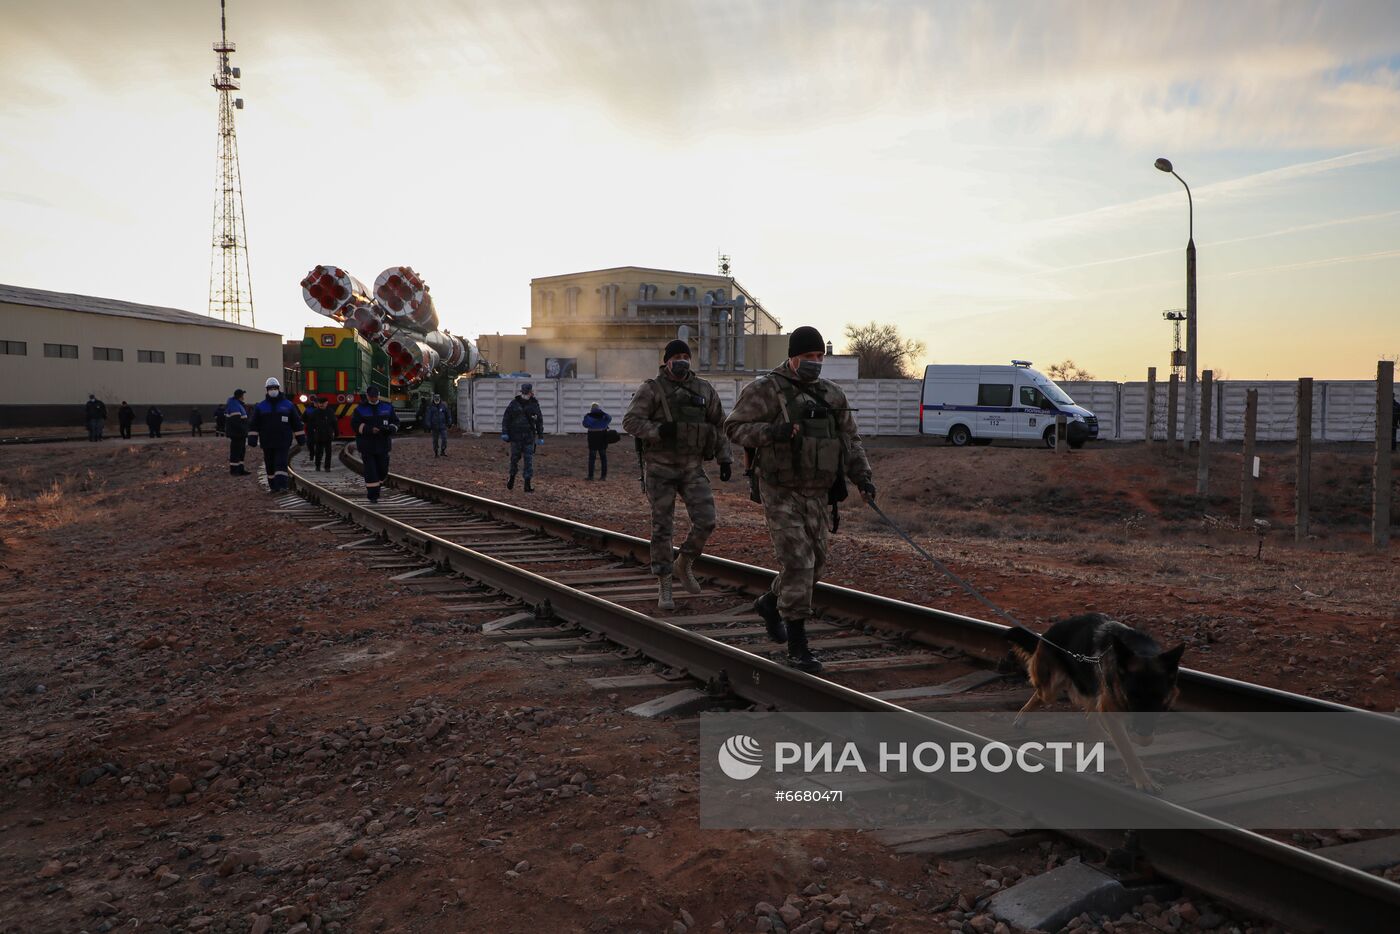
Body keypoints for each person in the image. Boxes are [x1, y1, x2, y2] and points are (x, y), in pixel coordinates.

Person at [724, 326, 875, 673]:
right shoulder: (765, 390)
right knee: (798, 563)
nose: (815, 363)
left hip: (818, 492)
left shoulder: (832, 395)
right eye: (808, 357)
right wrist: (770, 432)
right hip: (780, 490)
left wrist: (863, 479)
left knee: (815, 565)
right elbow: (733, 428)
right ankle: (798, 645)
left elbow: (851, 441)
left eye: (820, 357)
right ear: (792, 357)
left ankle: (770, 601)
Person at [623, 340, 734, 611]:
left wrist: (725, 457)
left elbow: (718, 424)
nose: (682, 361)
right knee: (663, 527)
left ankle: (684, 563)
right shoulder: (652, 389)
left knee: (707, 521)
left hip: (692, 467)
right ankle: (665, 583)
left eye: (686, 356)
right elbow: (631, 421)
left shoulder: (703, 388)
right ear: (667, 360)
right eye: (677, 357)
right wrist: (659, 431)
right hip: (660, 469)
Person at [246, 377, 306, 493]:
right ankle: (273, 486)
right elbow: (254, 424)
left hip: (283, 441)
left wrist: (301, 438)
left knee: (281, 463)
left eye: (275, 388)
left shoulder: (288, 405)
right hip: (267, 441)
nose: (273, 390)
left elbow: (296, 423)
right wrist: (252, 438)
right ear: (267, 390)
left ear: (278, 389)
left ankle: (282, 485)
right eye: (270, 388)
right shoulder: (260, 407)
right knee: (269, 464)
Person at [351, 385, 399, 502]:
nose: (373, 399)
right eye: (371, 397)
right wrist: (369, 429)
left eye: (375, 396)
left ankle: (378, 484)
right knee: (371, 470)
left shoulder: (387, 408)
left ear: (378, 396)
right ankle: (373, 496)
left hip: (383, 445)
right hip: (367, 445)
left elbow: (395, 422)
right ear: (367, 396)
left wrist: (390, 429)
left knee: (383, 470)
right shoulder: (360, 410)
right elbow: (355, 425)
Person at [500, 383, 544, 492]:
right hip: (516, 437)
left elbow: (539, 421)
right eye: (524, 392)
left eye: (527, 392)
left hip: (528, 437)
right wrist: (505, 432)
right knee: (514, 459)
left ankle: (527, 485)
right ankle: (512, 478)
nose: (526, 394)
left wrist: (540, 436)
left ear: (530, 392)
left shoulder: (534, 404)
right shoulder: (514, 403)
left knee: (528, 461)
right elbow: (506, 419)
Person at [306, 396, 337, 471]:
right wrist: (310, 434)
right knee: (318, 452)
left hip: (328, 434)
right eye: (320, 403)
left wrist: (336, 432)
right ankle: (317, 466)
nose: (321, 405)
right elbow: (310, 424)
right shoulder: (315, 412)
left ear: (326, 403)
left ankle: (327, 467)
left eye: (323, 403)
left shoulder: (330, 412)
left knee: (328, 452)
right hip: (318, 435)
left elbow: (334, 423)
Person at [582, 402, 612, 480]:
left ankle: (591, 476)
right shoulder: (604, 416)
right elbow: (609, 418)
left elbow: (585, 424)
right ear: (599, 408)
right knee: (603, 458)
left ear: (591, 408)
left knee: (592, 458)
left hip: (592, 438)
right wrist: (602, 412)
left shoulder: (588, 416)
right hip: (602, 438)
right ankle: (603, 476)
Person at [224, 389, 250, 475]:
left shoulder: (237, 404)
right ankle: (234, 470)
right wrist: (244, 430)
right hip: (237, 434)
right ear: (239, 396)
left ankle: (240, 469)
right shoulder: (234, 405)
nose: (243, 397)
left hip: (240, 434)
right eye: (242, 395)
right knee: (236, 452)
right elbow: (236, 422)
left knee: (241, 452)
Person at [425, 393, 452, 457]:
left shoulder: (444, 406)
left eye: (438, 399)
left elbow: (448, 415)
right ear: (434, 399)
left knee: (444, 439)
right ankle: (436, 452)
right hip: (434, 426)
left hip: (443, 425)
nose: (437, 400)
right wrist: (428, 425)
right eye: (436, 399)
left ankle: (443, 450)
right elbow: (428, 417)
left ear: (439, 399)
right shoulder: (430, 407)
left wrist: (449, 422)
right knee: (435, 440)